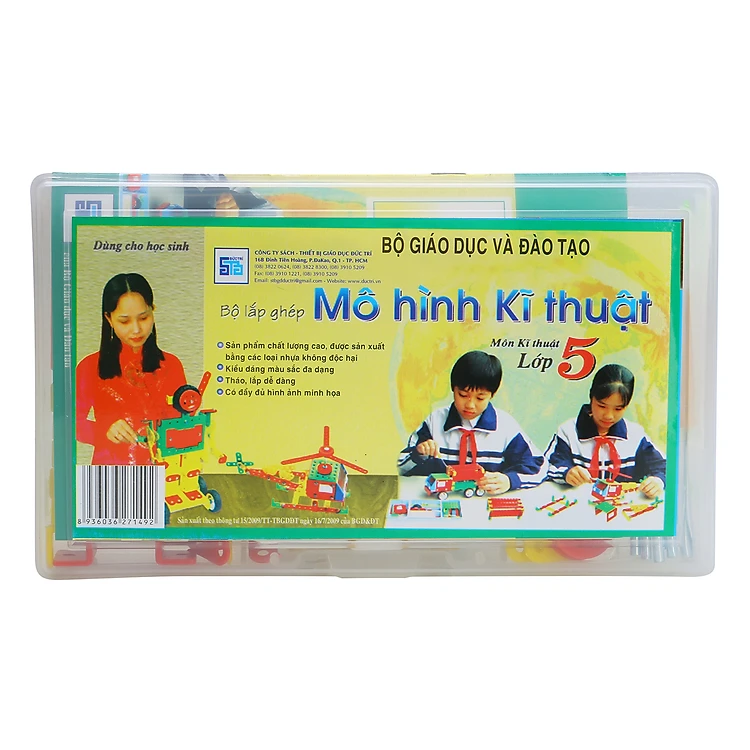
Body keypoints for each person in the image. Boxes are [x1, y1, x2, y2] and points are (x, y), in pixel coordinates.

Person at [76, 273, 188, 465]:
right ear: (109, 319)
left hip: (164, 472)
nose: (136, 329)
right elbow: (68, 423)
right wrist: (103, 430)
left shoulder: (171, 365)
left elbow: (182, 424)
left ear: (152, 311)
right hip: (111, 473)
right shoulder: (90, 367)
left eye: (143, 318)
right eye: (124, 321)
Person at [397, 351, 547, 494]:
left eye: (480, 398)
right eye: (463, 395)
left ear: (492, 394)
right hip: (441, 502)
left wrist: (509, 480)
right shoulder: (434, 421)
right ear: (453, 389)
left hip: (485, 503)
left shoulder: (505, 426)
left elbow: (540, 467)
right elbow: (401, 466)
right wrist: (418, 453)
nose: (470, 405)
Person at [545, 364, 666, 498]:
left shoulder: (635, 435)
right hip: (580, 505)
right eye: (602, 406)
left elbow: (664, 466)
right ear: (591, 398)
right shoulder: (568, 432)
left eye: (618, 409)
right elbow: (546, 465)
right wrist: (567, 472)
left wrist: (658, 480)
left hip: (622, 507)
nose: (609, 416)